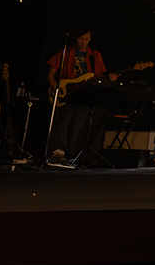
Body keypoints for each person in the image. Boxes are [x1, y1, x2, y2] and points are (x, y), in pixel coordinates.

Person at [46, 29, 116, 164]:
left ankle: (69, 155)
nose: (83, 42)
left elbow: (99, 76)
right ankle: (57, 150)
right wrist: (53, 84)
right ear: (74, 38)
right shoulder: (66, 52)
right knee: (63, 121)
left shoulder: (95, 55)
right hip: (67, 91)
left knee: (78, 125)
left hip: (84, 95)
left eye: (86, 39)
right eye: (80, 39)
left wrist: (110, 78)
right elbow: (51, 70)